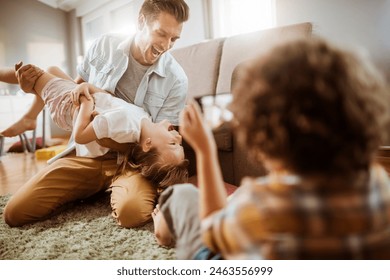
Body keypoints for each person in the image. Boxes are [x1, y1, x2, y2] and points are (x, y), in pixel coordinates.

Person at [152, 37, 390, 259]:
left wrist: (205, 151)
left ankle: (163, 228)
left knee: (182, 195)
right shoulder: (379, 185)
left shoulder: (261, 206)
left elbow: (213, 233)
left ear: (262, 141)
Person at [3, 0, 190, 228]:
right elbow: (77, 88)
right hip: (87, 156)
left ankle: (106, 188)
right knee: (15, 212)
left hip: (128, 164)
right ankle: (32, 113)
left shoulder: (176, 79)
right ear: (141, 21)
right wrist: (40, 90)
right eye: (161, 33)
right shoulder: (105, 45)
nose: (167, 45)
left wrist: (104, 132)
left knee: (132, 212)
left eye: (174, 38)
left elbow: (157, 147)